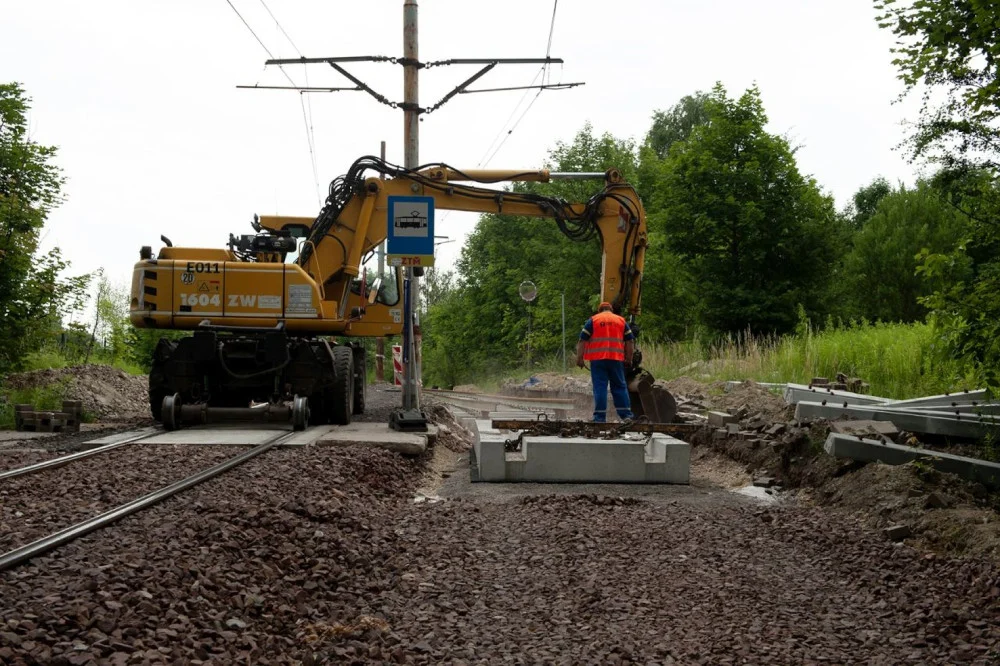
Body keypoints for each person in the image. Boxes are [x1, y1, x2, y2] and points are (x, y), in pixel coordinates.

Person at [575, 302, 635, 423]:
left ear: (599, 310)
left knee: (600, 387)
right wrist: (629, 358)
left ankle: (600, 418)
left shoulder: (593, 320)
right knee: (619, 386)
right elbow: (630, 341)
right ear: (611, 309)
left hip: (598, 360)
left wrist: (579, 358)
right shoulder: (621, 321)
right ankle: (626, 416)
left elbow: (582, 340)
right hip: (616, 359)